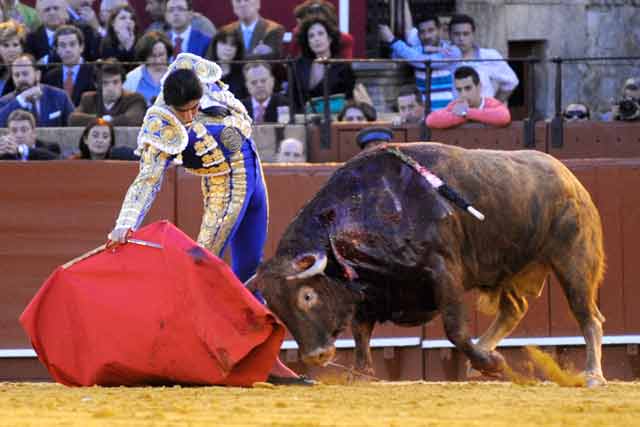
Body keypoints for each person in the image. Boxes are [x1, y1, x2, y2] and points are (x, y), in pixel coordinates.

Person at [106, 53, 309, 385]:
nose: (191, 114)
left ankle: (263, 362)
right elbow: (148, 179)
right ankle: (182, 353)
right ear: (171, 106)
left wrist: (228, 129)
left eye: (195, 106)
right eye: (184, 111)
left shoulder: (195, 74)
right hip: (223, 184)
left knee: (250, 270)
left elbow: (239, 117)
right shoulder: (160, 124)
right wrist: (125, 222)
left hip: (254, 173)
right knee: (202, 269)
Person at [379, 14, 461, 111]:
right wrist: (426, 49)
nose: (427, 36)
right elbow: (396, 55)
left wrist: (392, 40)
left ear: (439, 30)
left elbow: (423, 62)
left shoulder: (452, 50)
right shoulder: (415, 51)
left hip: (448, 114)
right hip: (422, 116)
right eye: (422, 32)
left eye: (431, 30)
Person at [288, 15, 355, 113]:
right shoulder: (299, 65)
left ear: (330, 38)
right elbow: (293, 98)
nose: (316, 39)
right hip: (303, 121)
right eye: (311, 36)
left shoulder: (342, 66)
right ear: (308, 42)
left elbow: (349, 100)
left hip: (333, 119)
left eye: (320, 34)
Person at [449, 14, 518, 104]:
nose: (461, 38)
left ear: (473, 35)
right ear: (450, 35)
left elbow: (511, 82)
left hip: (482, 115)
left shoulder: (488, 56)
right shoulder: (441, 59)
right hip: (452, 115)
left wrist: (493, 105)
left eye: (466, 34)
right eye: (456, 34)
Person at [0, 53, 74, 126]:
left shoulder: (60, 97)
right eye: (17, 75)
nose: (21, 79)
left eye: (25, 74)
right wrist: (21, 100)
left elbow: (75, 127)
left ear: (37, 75)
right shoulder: (5, 102)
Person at [426, 66, 511, 129]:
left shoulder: (490, 103)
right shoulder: (455, 105)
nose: (463, 94)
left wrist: (466, 113)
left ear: (479, 86)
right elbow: (431, 120)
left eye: (468, 88)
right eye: (459, 90)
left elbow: (504, 116)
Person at [68, 59, 146, 126]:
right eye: (105, 83)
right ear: (96, 85)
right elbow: (73, 119)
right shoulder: (89, 99)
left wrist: (100, 120)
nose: (110, 88)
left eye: (115, 82)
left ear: (122, 82)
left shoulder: (134, 99)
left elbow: (132, 119)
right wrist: (105, 120)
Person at [26, 0, 100, 64]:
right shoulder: (32, 39)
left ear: (65, 11)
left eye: (56, 8)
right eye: (47, 10)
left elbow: (94, 60)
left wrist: (47, 59)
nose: (52, 13)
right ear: (39, 15)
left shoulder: (85, 31)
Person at [42, 25, 95, 106]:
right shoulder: (50, 77)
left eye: (72, 44)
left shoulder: (94, 72)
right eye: (63, 45)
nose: (68, 50)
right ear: (57, 50)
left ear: (81, 47)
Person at [123, 31, 172, 106]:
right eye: (153, 56)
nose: (158, 60)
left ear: (167, 53)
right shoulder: (131, 78)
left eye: (161, 55)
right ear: (145, 56)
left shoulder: (175, 74)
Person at [204, 26, 247, 99]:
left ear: (238, 50)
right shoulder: (204, 72)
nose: (228, 48)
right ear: (215, 45)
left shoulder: (243, 74)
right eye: (224, 43)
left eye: (232, 45)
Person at [144, 0, 216, 38]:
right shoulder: (154, 28)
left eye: (150, 3)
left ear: (163, 4)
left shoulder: (201, 25)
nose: (147, 8)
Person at [0, 20, 26, 96]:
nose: (11, 50)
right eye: (6, 45)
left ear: (22, 47)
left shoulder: (28, 71)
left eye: (15, 45)